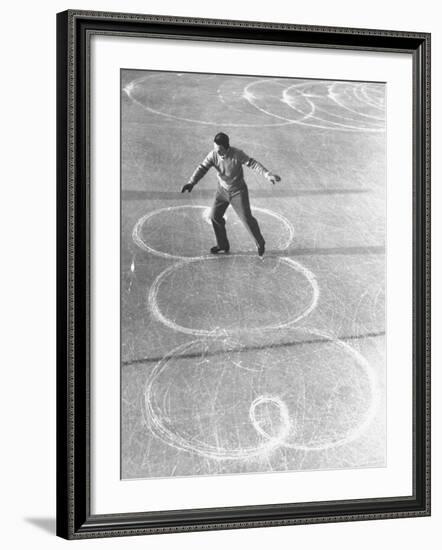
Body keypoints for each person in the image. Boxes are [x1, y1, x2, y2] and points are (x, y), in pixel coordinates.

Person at [181, 133, 281, 257]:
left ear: (226, 148)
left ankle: (260, 242)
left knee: (246, 218)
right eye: (215, 148)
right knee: (214, 216)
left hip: (238, 192)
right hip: (222, 191)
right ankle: (222, 245)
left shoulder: (237, 154)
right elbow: (202, 168)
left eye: (219, 149)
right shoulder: (213, 155)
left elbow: (253, 164)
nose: (216, 152)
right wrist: (191, 182)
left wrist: (267, 174)